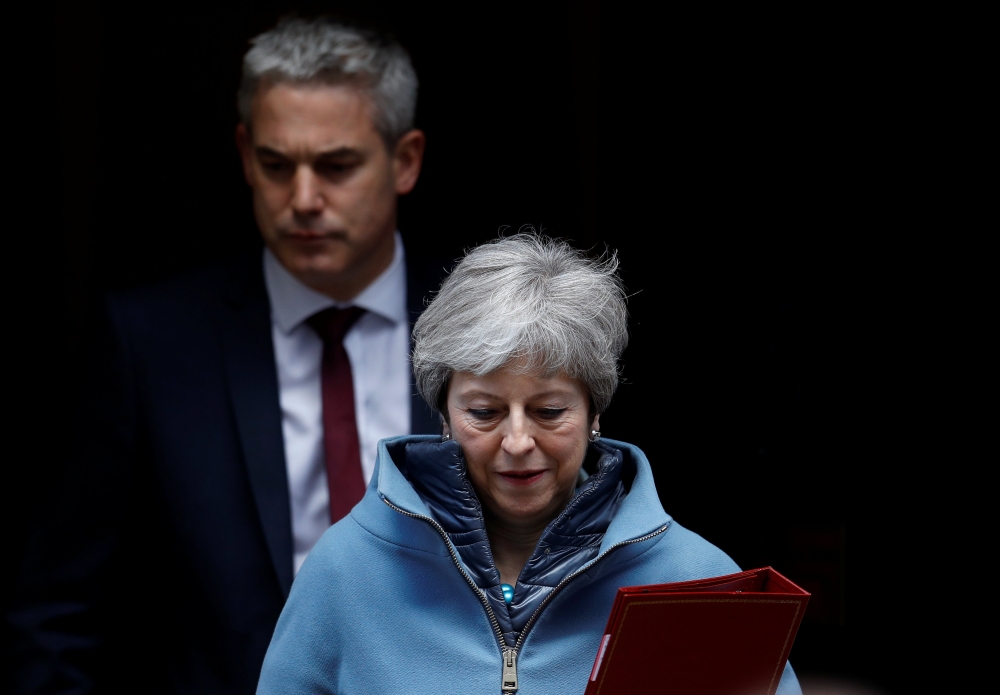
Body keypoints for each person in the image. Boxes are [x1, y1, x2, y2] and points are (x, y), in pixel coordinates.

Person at [9, 17, 446, 695]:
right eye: (277, 165)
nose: (303, 199)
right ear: (245, 155)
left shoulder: (482, 330)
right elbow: (55, 612)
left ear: (407, 160)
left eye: (336, 165)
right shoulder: (151, 343)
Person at [256, 234, 802, 694]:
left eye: (548, 410)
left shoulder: (699, 584)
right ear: (443, 414)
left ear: (595, 412)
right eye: (485, 412)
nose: (518, 441)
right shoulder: (346, 570)